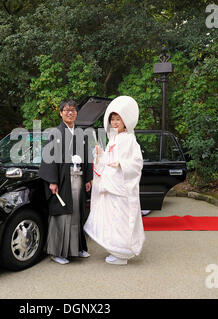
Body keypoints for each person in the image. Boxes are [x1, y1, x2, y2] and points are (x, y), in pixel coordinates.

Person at [84, 96, 145, 265]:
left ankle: (122, 253)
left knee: (120, 218)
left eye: (118, 119)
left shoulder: (129, 138)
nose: (115, 122)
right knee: (113, 218)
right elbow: (107, 160)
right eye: (112, 119)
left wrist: (122, 164)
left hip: (121, 186)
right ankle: (116, 250)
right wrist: (100, 154)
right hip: (112, 184)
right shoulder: (114, 138)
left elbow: (137, 162)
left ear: (125, 121)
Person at [38, 100, 93, 265]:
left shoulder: (81, 134)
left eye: (73, 110)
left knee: (76, 213)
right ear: (61, 113)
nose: (70, 113)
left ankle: (76, 249)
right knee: (62, 214)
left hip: (78, 177)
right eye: (67, 110)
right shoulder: (55, 133)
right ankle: (57, 252)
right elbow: (48, 158)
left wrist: (88, 178)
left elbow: (88, 157)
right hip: (62, 180)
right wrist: (52, 181)